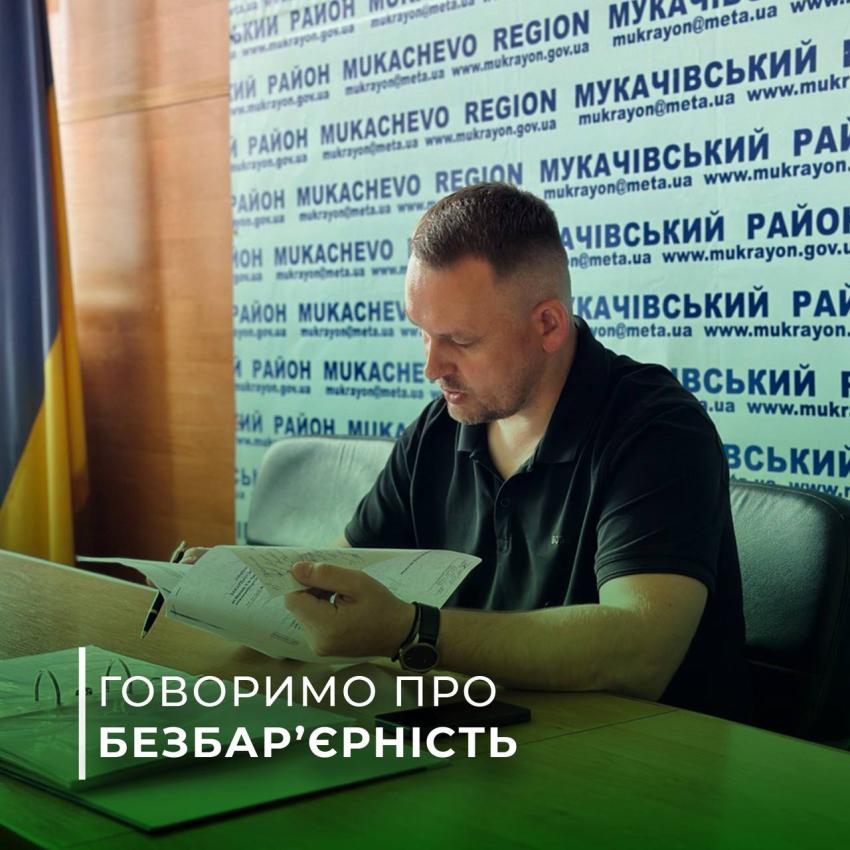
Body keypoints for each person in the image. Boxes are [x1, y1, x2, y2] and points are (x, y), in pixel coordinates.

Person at [246, 183, 750, 720]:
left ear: (547, 324)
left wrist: (415, 630)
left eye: (460, 341)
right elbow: (340, 571)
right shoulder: (440, 428)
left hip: (642, 752)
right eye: (423, 333)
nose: (432, 367)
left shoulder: (659, 430)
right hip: (481, 737)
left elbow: (640, 652)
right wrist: (242, 585)